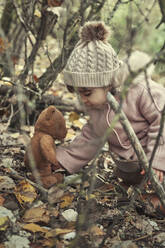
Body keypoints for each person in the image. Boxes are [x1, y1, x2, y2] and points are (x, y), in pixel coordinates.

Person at [55, 21, 165, 214]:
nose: (83, 100)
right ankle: (146, 190)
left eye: (87, 93)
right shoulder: (97, 107)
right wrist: (61, 161)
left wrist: (158, 160)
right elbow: (90, 138)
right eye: (78, 93)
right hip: (134, 167)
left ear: (107, 82)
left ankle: (159, 200)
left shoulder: (141, 91)